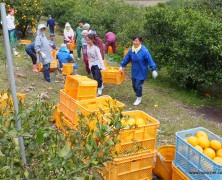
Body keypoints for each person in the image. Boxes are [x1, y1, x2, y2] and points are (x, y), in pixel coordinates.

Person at [120, 35, 158, 106]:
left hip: (142, 72)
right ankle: (138, 93)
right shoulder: (131, 50)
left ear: (140, 42)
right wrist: (122, 65)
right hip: (134, 71)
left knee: (138, 85)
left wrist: (154, 69)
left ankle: (139, 98)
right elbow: (127, 58)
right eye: (134, 40)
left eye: (136, 41)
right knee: (134, 86)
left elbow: (150, 60)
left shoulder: (144, 51)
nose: (135, 42)